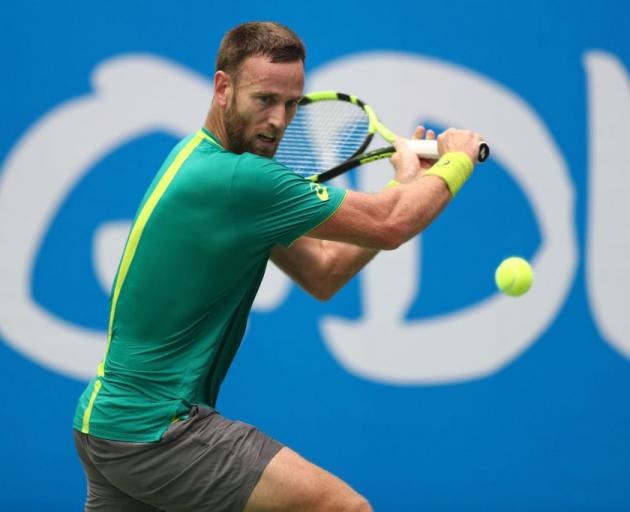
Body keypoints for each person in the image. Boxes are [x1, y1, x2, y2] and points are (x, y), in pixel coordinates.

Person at [73, 21, 483, 512]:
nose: (278, 120)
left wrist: (403, 184)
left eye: (291, 103)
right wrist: (455, 163)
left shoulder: (200, 159)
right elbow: (390, 225)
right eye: (264, 99)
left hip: (109, 430)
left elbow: (323, 272)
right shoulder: (239, 180)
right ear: (222, 88)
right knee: (343, 508)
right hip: (160, 430)